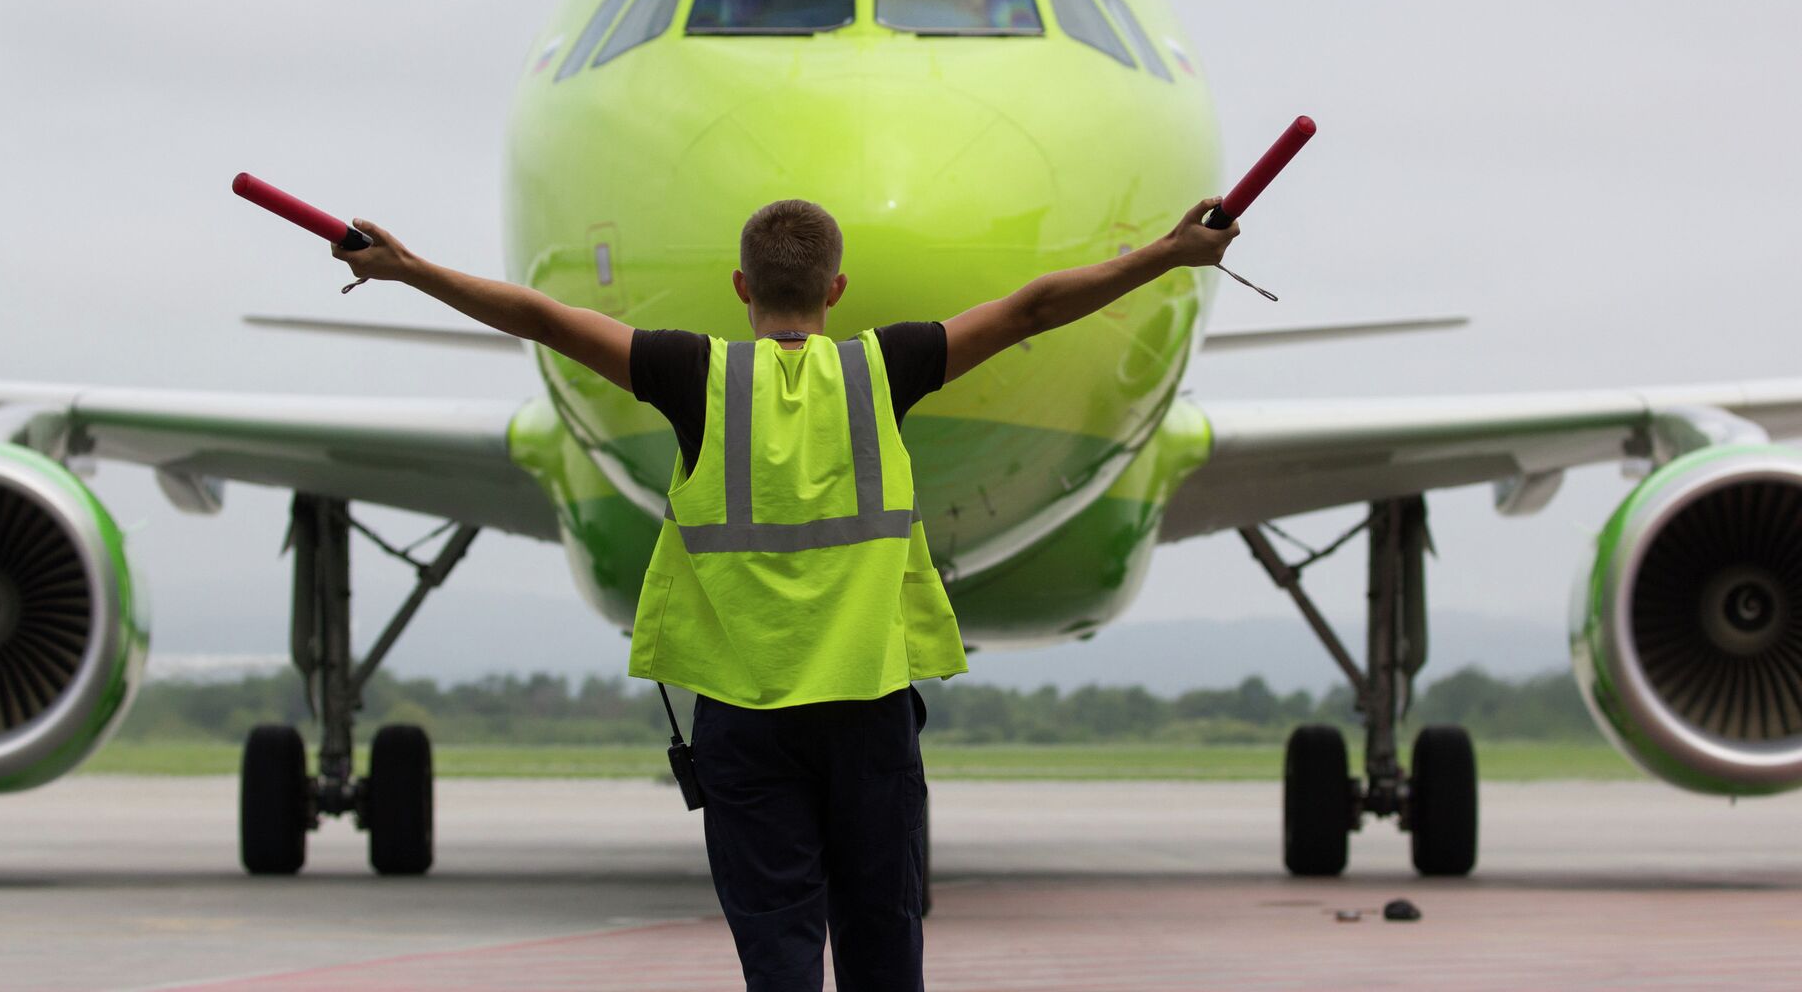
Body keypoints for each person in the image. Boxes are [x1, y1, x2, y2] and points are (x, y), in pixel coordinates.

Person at [330, 196, 1238, 991]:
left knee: (779, 952)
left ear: (740, 286)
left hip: (743, 714)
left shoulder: (694, 376)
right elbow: (1035, 307)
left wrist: (408, 270)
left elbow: (543, 318)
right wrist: (1168, 252)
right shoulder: (886, 367)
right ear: (838, 289)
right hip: (868, 706)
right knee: (885, 946)